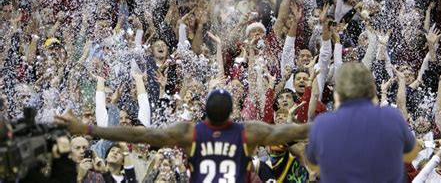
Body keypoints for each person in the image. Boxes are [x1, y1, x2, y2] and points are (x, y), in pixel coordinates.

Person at [55, 88, 310, 182]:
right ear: (231, 113)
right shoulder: (249, 131)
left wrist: (88, 129)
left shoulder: (189, 132)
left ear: (205, 113)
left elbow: (136, 135)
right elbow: (298, 130)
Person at [305, 62, 420, 182]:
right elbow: (411, 154)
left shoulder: (322, 124)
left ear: (337, 92)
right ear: (373, 90)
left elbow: (313, 164)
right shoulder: (391, 117)